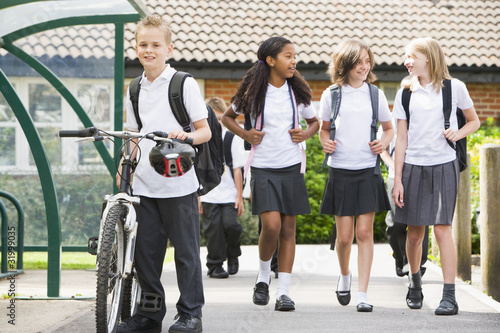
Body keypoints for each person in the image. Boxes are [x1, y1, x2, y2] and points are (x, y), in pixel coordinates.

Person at [116, 15, 210, 333]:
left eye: (155, 45)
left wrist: (185, 137)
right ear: (137, 47)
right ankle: (149, 314)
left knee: (186, 253)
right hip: (144, 182)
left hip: (179, 182)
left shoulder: (183, 84)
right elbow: (132, 134)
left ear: (168, 48)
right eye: (143, 44)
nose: (149, 50)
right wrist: (122, 166)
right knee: (146, 253)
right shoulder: (133, 88)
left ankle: (190, 315)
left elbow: (205, 132)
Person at [222, 36, 319, 311]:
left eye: (294, 56)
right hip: (263, 167)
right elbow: (227, 117)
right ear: (270, 60)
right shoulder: (253, 92)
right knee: (272, 226)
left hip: (291, 167)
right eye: (288, 56)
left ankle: (284, 291)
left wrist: (306, 134)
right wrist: (246, 134)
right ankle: (263, 277)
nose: (293, 61)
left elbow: (314, 122)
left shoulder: (297, 92)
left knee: (288, 229)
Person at [392, 37, 480, 315]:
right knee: (415, 232)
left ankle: (449, 296)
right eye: (406, 56)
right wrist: (397, 179)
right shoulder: (405, 91)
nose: (407, 61)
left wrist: (458, 132)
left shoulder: (455, 88)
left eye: (411, 56)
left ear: (428, 57)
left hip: (444, 164)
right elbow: (401, 140)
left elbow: (474, 120)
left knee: (442, 229)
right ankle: (414, 283)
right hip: (413, 166)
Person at [318, 39, 394, 312]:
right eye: (358, 62)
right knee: (345, 237)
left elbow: (388, 129)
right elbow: (323, 129)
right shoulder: (332, 95)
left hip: (367, 171)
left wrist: (383, 143)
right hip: (340, 171)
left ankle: (362, 292)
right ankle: (345, 275)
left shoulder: (375, 95)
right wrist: (324, 142)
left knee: (364, 233)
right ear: (345, 64)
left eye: (367, 61)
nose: (364, 66)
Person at [199, 97, 245, 278]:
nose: (217, 123)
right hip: (208, 194)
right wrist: (198, 197)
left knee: (231, 225)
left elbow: (237, 170)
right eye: (213, 119)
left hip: (229, 194)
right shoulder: (202, 139)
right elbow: (196, 170)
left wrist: (239, 197)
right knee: (213, 230)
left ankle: (233, 254)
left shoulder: (231, 139)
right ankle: (215, 265)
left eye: (220, 118)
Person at [380, 116, 428, 278]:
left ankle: (416, 263)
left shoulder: (425, 115)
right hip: (395, 176)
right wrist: (393, 166)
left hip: (421, 175)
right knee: (395, 224)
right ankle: (400, 258)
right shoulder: (392, 119)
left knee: (420, 221)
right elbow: (382, 148)